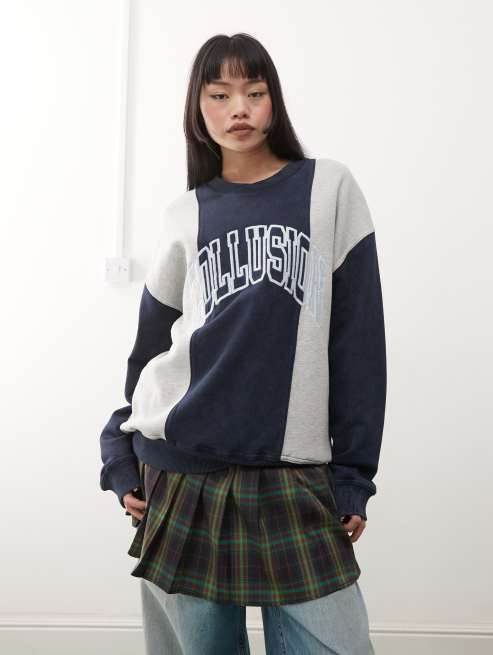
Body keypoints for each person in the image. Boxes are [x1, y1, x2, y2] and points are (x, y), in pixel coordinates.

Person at [99, 32, 386, 655]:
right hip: (182, 471)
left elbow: (360, 343)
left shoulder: (329, 189)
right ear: (196, 108)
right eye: (220, 94)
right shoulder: (184, 214)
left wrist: (354, 473)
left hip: (293, 474)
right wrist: (118, 456)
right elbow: (150, 353)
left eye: (255, 93)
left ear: (274, 101)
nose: (239, 109)